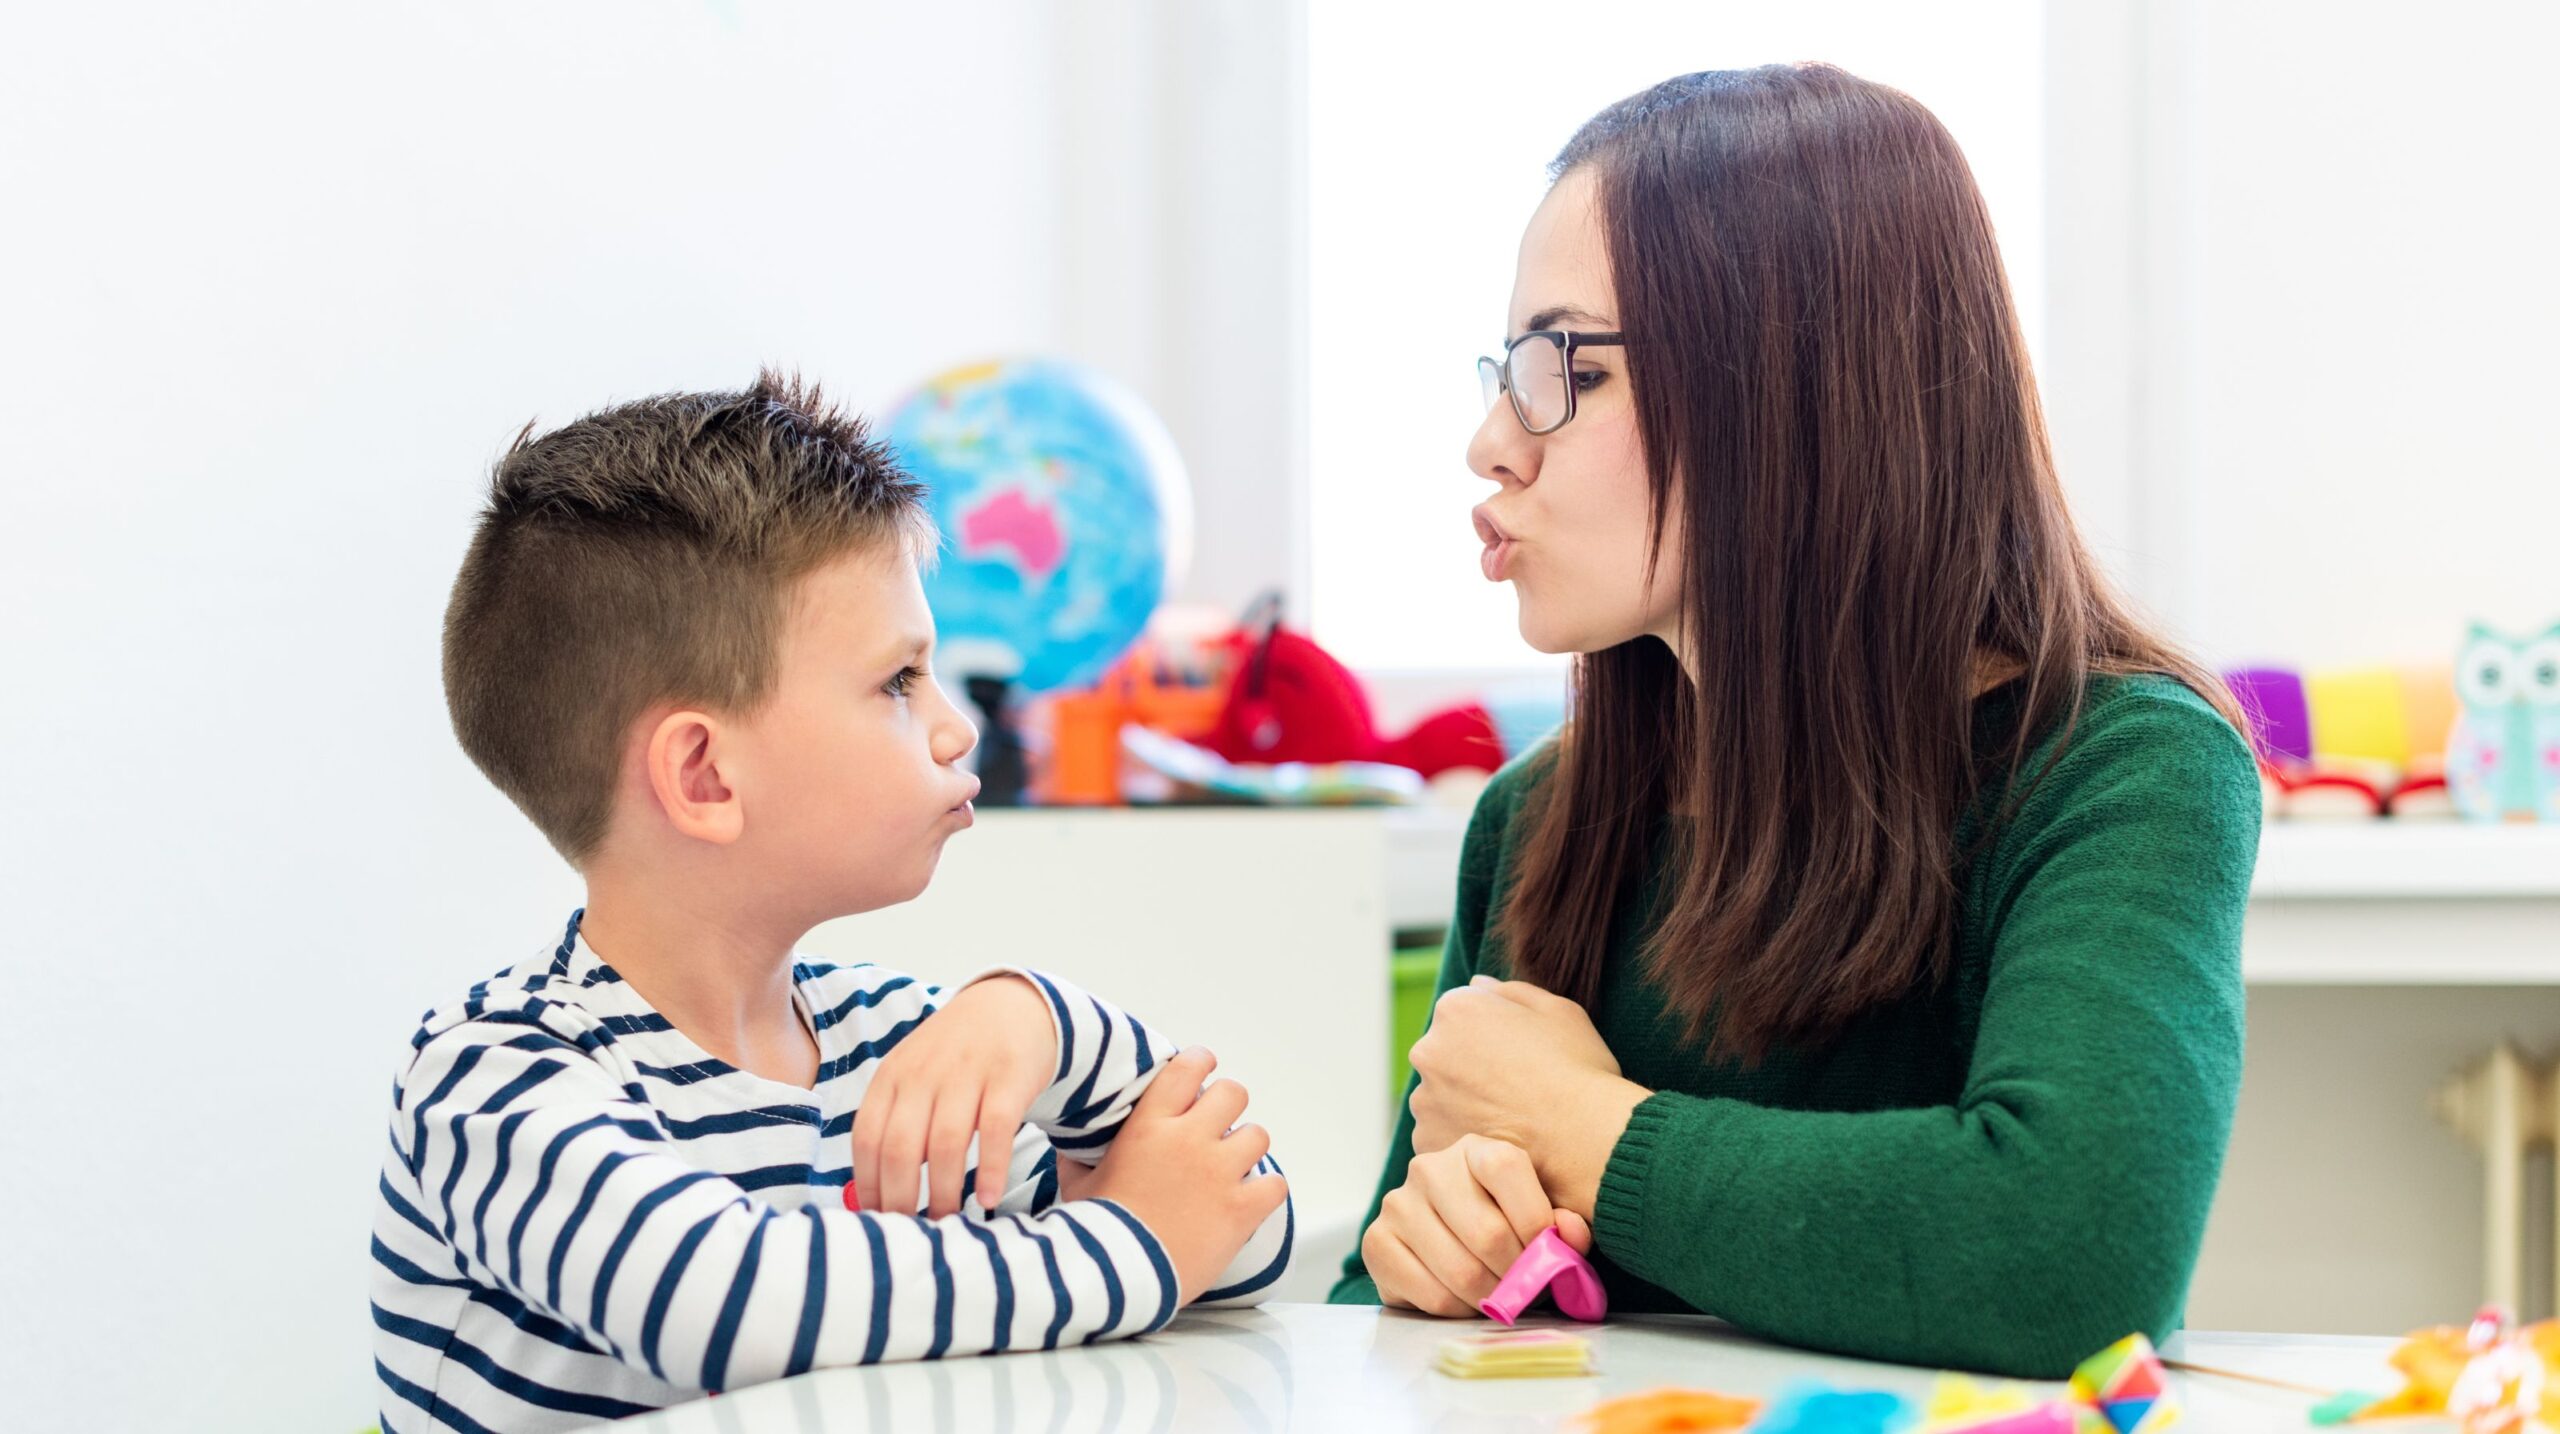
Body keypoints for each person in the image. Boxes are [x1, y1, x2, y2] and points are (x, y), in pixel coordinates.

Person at [1331, 65, 2259, 1378]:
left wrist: (1582, 1125)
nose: (1494, 439)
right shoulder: (1534, 818)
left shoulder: (2122, 768)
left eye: (1561, 369)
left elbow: (2073, 1255)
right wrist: (1431, 1260)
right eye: (1505, 369)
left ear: (1789, 379)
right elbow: (1375, 1289)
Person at [374, 373, 1290, 1432]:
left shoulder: (902, 1044)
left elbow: (1241, 1219)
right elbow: (722, 1307)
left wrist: (1046, 1023)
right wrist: (1133, 1246)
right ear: (706, 778)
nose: (955, 729)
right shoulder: (492, 1077)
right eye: (899, 681)